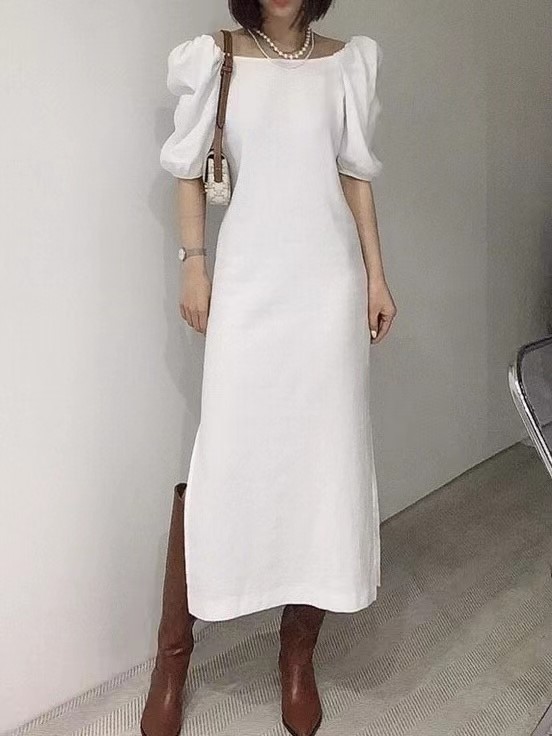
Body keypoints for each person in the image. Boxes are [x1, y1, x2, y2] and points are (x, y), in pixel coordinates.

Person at [141, 1, 397, 735]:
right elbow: (189, 170)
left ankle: (296, 656)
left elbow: (355, 175)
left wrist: (376, 276)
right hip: (250, 286)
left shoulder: (346, 62)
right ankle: (173, 656)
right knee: (225, 456)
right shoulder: (214, 57)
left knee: (324, 459)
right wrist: (194, 262)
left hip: (328, 288)